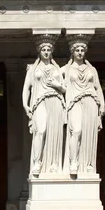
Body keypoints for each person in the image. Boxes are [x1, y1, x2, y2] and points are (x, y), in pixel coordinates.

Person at [22, 34, 66, 175]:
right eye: (43, 49)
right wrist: (25, 105)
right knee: (40, 130)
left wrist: (56, 85)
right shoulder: (33, 69)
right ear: (39, 51)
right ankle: (37, 162)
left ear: (51, 51)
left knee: (54, 133)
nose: (46, 52)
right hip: (39, 101)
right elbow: (26, 89)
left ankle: (53, 164)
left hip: (56, 101)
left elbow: (65, 89)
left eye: (48, 49)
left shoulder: (57, 69)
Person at [61, 35, 105, 174]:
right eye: (77, 50)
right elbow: (50, 74)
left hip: (91, 102)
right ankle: (73, 162)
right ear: (72, 52)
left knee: (88, 134)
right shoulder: (66, 69)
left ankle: (88, 164)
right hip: (74, 102)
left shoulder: (91, 69)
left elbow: (98, 88)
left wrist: (102, 105)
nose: (80, 52)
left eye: (82, 50)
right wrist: (32, 70)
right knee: (77, 131)